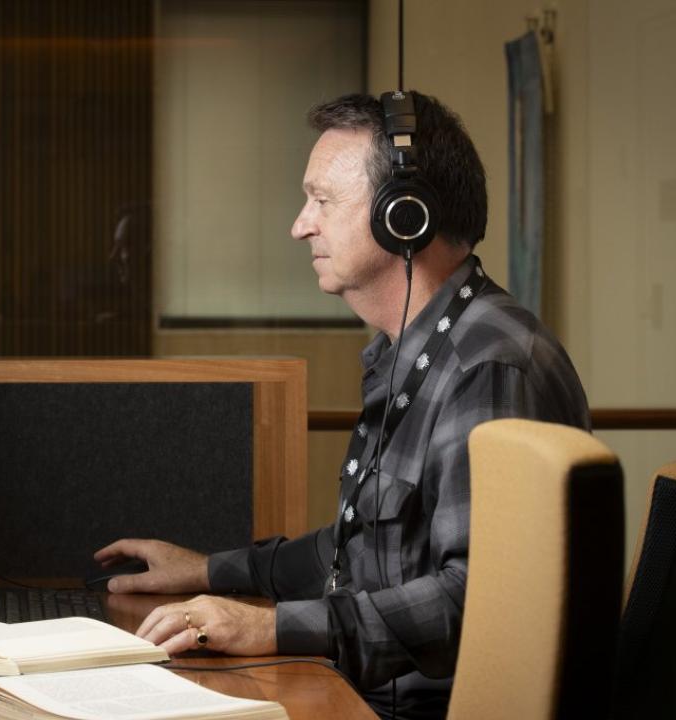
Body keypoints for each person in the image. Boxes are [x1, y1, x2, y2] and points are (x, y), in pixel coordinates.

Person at [95, 91, 590, 720]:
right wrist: (211, 572)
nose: (301, 224)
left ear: (403, 217)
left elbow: (480, 603)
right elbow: (362, 549)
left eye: (323, 201)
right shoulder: (414, 351)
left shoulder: (484, 367)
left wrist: (268, 629)